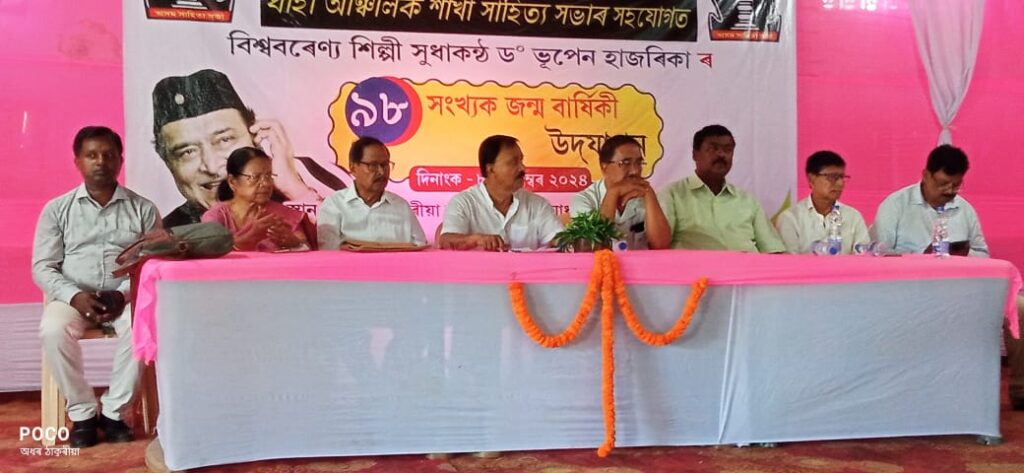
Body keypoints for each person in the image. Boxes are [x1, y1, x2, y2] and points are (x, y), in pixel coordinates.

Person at [32, 126, 161, 447]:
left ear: (120, 160)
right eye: (91, 155)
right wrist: (75, 296)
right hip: (73, 299)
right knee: (52, 329)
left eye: (108, 155)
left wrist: (122, 293)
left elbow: (153, 264)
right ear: (77, 161)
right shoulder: (57, 210)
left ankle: (115, 413)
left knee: (144, 325)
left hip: (124, 297)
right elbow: (42, 266)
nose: (100, 161)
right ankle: (82, 413)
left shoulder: (143, 209)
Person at [152, 69, 324, 228]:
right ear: (168, 162)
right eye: (188, 152)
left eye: (225, 140)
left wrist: (294, 189)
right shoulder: (167, 234)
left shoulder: (312, 181)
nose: (211, 167)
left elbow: (332, 241)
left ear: (255, 138)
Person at [658, 124, 785, 253]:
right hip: (696, 266)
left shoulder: (748, 201)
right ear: (694, 155)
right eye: (712, 148)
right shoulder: (672, 195)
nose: (721, 154)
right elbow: (659, 243)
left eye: (727, 149)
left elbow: (773, 250)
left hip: (749, 265)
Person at [439, 135, 562, 251]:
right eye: (513, 162)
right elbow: (445, 241)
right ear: (490, 169)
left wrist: (565, 241)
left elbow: (558, 238)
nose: (522, 168)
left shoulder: (537, 205)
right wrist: (476, 240)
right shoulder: (464, 203)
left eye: (521, 160)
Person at [872, 144, 987, 256]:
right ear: (926, 175)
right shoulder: (895, 206)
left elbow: (983, 254)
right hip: (910, 269)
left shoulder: (965, 210)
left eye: (956, 185)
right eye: (943, 184)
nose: (949, 191)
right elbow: (880, 254)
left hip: (954, 269)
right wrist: (922, 257)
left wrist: (959, 254)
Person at [317, 137, 427, 249]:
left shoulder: (401, 206)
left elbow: (420, 247)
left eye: (385, 165)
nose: (381, 172)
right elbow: (328, 251)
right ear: (353, 168)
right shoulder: (335, 204)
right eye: (373, 165)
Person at [201, 147, 314, 252]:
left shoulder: (285, 216)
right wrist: (250, 236)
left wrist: (294, 243)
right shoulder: (216, 217)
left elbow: (309, 253)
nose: (265, 183)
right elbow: (209, 254)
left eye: (268, 176)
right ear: (232, 181)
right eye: (255, 177)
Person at [570, 135, 671, 249]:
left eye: (638, 163)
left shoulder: (645, 194)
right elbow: (595, 244)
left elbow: (660, 245)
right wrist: (613, 193)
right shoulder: (584, 199)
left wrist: (649, 195)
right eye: (626, 163)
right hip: (603, 260)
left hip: (641, 260)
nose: (635, 171)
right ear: (604, 167)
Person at [774, 150, 870, 254]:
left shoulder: (853, 217)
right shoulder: (790, 218)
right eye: (832, 177)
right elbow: (789, 261)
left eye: (842, 177)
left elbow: (864, 257)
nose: (840, 183)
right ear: (811, 179)